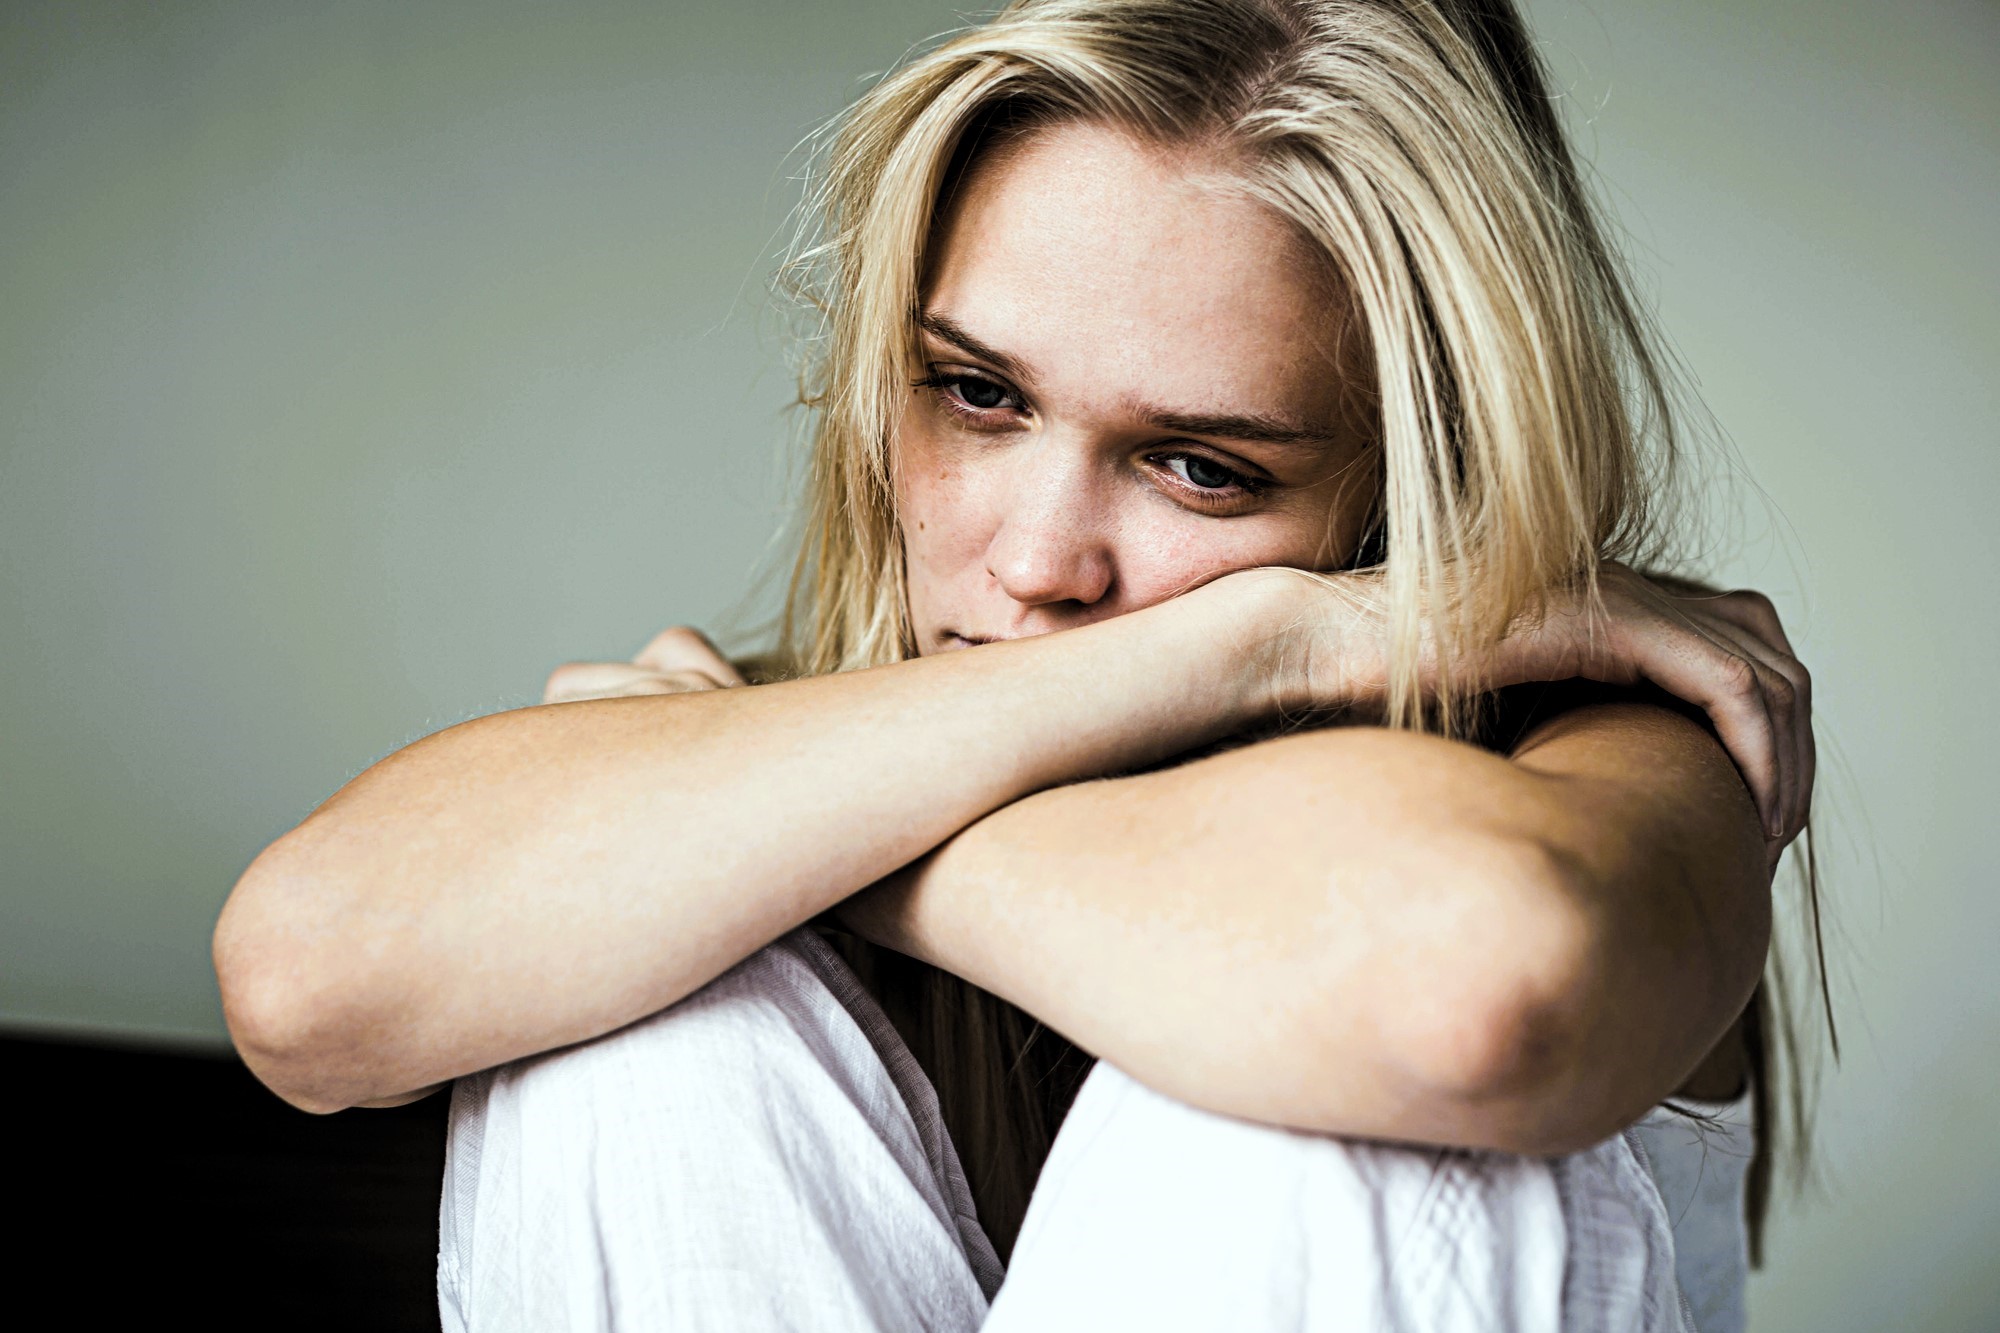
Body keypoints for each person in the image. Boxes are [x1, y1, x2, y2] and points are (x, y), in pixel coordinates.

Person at [213, 0, 1824, 1328]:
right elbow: (302, 976)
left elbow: (1474, 991)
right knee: (650, 1029)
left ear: (1408, 504)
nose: (1043, 560)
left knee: (1323, 1093)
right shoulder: (792, 743)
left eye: (1202, 466)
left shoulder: (1605, 753)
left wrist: (824, 852)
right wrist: (1275, 626)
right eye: (979, 395)